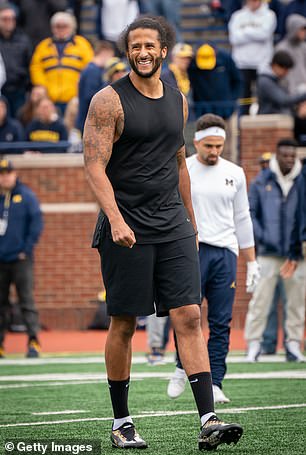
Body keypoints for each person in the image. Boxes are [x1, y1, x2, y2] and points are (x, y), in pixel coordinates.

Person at [83, 15, 243, 451]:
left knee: (189, 315)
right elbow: (94, 165)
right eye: (135, 46)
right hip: (126, 224)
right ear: (127, 51)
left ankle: (208, 419)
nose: (143, 52)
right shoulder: (107, 101)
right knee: (123, 322)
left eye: (150, 45)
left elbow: (178, 162)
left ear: (164, 50)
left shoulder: (179, 100)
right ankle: (122, 422)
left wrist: (190, 221)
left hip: (171, 221)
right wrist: (115, 219)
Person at [167, 113, 259, 404]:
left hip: (225, 254)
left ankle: (216, 380)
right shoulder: (185, 169)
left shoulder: (235, 172)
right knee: (187, 316)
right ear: (196, 142)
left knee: (221, 321)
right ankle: (182, 366)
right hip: (191, 251)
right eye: (209, 146)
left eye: (219, 146)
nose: (214, 152)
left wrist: (251, 261)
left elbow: (242, 217)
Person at [245, 139, 306, 362]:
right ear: (277, 156)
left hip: (296, 255)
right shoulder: (262, 180)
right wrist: (264, 238)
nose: (289, 159)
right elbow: (250, 214)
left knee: (296, 302)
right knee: (260, 300)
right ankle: (253, 344)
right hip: (268, 252)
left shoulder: (302, 180)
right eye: (285, 155)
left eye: (292, 155)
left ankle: (293, 345)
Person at [0, 159, 43, 359]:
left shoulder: (26, 197)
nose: (5, 177)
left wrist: (25, 250)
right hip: (1, 260)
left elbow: (36, 225)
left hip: (20, 259)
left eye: (7, 172)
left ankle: (33, 341)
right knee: (1, 303)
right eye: (1, 173)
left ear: (14, 173)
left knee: (26, 300)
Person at [30, 11, 93, 115]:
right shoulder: (43, 46)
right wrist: (42, 86)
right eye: (57, 26)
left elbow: (89, 68)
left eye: (64, 26)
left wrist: (80, 87)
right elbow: (35, 68)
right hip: (49, 97)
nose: (61, 29)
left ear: (72, 27)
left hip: (73, 97)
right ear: (52, 28)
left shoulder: (82, 44)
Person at [228, 0, 276, 115]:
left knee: (263, 97)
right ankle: (242, 127)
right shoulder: (237, 16)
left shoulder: (269, 15)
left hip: (262, 63)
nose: (253, 2)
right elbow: (234, 38)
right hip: (242, 63)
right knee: (244, 99)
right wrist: (255, 33)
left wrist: (245, 32)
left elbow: (265, 34)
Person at [0, 3, 32, 117]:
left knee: (19, 121)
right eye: (5, 19)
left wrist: (28, 88)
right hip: (1, 90)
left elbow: (30, 65)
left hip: (19, 90)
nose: (9, 21)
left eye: (12, 18)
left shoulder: (23, 40)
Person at [76, 40, 115, 134]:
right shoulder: (93, 71)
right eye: (110, 56)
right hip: (88, 123)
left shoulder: (95, 70)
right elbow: (91, 97)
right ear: (104, 53)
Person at [257, 50, 306, 115]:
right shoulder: (265, 81)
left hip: (281, 116)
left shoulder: (278, 79)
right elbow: (284, 101)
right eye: (285, 69)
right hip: (269, 118)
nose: (286, 73)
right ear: (275, 65)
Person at [276, 14, 306, 95]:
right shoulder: (281, 48)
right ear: (294, 29)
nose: (304, 32)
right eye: (302, 29)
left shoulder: (303, 47)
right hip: (287, 91)